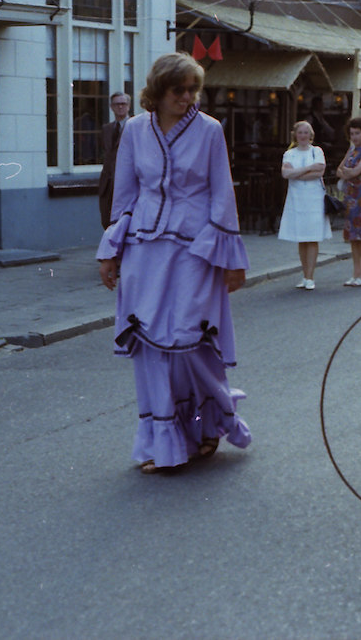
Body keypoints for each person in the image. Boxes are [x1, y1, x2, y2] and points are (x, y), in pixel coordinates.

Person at [97, 52, 251, 474]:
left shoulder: (209, 131)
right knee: (149, 344)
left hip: (195, 250)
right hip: (144, 250)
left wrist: (232, 261)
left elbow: (222, 193)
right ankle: (162, 443)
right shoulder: (133, 130)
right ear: (158, 92)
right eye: (178, 90)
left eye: (192, 90)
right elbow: (124, 196)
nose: (187, 97)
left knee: (191, 341)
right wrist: (111, 250)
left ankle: (207, 425)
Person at [279, 121, 330, 290]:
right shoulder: (290, 154)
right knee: (301, 236)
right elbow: (286, 173)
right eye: (300, 132)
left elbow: (319, 172)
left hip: (313, 197)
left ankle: (311, 276)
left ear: (311, 135)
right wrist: (308, 169)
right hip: (297, 197)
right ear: (295, 135)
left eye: (306, 133)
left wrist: (297, 173)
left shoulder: (317, 151)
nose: (303, 136)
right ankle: (304, 274)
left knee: (312, 235)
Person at [337, 116, 361, 286]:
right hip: (351, 194)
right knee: (353, 236)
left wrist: (348, 172)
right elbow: (339, 170)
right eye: (352, 133)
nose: (354, 137)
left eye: (357, 133)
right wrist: (348, 172)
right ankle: (355, 272)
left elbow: (357, 171)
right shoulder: (352, 150)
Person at [98, 92, 131, 229]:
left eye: (123, 104)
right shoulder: (106, 129)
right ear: (111, 107)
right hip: (108, 185)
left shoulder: (134, 127)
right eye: (117, 104)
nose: (120, 107)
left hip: (127, 184)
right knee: (107, 222)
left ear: (129, 106)